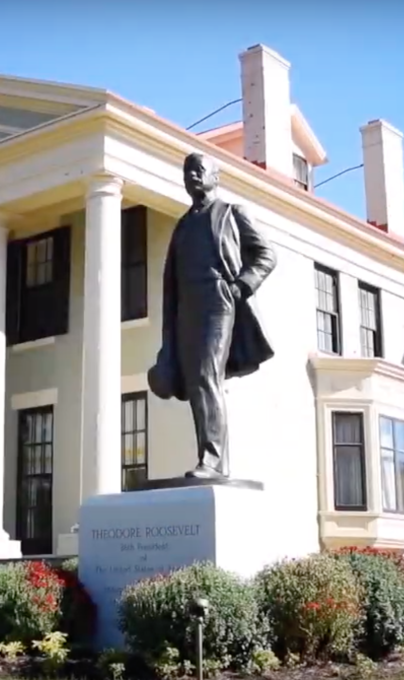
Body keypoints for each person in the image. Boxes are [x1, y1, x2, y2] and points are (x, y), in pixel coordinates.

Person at [147, 152, 278, 479]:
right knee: (197, 384)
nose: (191, 175)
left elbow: (267, 254)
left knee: (207, 376)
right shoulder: (183, 225)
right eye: (187, 170)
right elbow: (171, 284)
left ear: (215, 177)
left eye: (198, 170)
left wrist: (242, 286)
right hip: (186, 310)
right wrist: (168, 340)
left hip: (219, 301)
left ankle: (212, 460)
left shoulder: (232, 214)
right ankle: (215, 462)